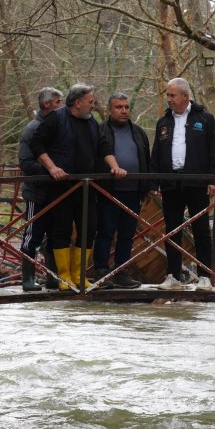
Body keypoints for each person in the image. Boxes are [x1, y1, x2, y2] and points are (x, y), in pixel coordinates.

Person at [30, 83, 123, 290]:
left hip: (87, 187)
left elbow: (103, 147)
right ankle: (64, 277)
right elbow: (37, 144)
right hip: (61, 187)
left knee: (89, 229)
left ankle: (80, 276)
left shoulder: (91, 122)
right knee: (61, 230)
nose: (94, 105)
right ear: (78, 102)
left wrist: (115, 167)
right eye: (90, 101)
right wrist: (52, 167)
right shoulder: (56, 118)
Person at [150, 77, 215, 291]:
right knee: (172, 230)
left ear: (185, 96)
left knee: (201, 230)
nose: (169, 99)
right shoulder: (163, 122)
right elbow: (156, 153)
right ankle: (173, 276)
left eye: (172, 95)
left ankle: (205, 277)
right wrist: (154, 180)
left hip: (197, 182)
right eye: (168, 95)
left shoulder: (205, 119)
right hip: (171, 183)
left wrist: (213, 179)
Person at [93, 92, 152, 289]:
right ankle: (101, 271)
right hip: (108, 191)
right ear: (110, 109)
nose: (124, 111)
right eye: (119, 107)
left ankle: (121, 271)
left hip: (133, 191)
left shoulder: (138, 132)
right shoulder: (101, 131)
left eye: (126, 107)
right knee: (105, 232)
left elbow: (146, 160)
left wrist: (148, 186)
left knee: (127, 234)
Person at [16, 87, 63, 291]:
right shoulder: (33, 128)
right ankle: (27, 279)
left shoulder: (57, 127)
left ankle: (52, 277)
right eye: (58, 102)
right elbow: (25, 162)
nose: (62, 106)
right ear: (47, 104)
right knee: (32, 235)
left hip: (57, 192)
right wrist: (50, 170)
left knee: (55, 235)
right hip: (37, 192)